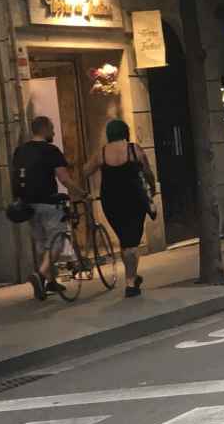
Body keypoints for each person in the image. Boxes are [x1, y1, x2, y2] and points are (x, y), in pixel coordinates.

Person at [81, 119, 157, 297]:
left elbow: (85, 171)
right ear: (125, 132)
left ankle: (132, 276)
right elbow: (147, 172)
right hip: (134, 200)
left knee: (125, 240)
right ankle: (130, 283)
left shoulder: (101, 153)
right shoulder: (134, 150)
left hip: (111, 202)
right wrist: (152, 189)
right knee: (132, 243)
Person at [11, 116, 80, 300]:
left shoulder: (20, 151)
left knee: (42, 243)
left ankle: (50, 281)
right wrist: (81, 193)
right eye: (52, 129)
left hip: (28, 205)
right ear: (45, 129)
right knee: (57, 242)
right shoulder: (51, 150)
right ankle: (40, 275)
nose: (54, 132)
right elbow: (64, 178)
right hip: (49, 204)